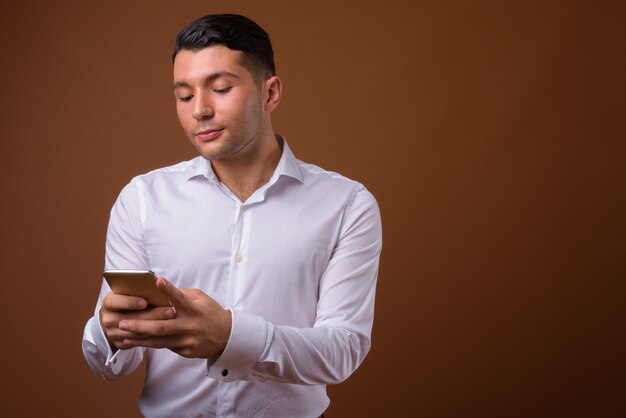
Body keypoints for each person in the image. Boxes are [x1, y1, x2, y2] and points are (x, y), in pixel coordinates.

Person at [82, 13, 382, 418]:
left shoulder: (347, 205)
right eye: (184, 96)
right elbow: (110, 364)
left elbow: (341, 349)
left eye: (220, 88)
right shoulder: (141, 200)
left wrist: (230, 335)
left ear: (270, 92)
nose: (200, 110)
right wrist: (109, 330)